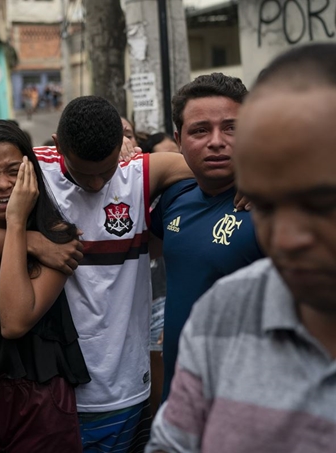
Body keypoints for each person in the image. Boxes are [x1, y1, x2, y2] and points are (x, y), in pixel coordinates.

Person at [0, 96, 199, 452]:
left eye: (105, 172)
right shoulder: (28, 171)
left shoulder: (137, 172)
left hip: (124, 388)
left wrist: (244, 180)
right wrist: (31, 240)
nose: (95, 183)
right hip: (53, 392)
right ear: (58, 147)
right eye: (83, 172)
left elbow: (210, 165)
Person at [147, 42, 336, 453]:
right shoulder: (218, 311)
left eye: (318, 203)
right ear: (178, 139)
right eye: (270, 206)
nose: (288, 237)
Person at [0, 120, 90, 452]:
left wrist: (18, 222)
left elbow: (13, 322)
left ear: (31, 171)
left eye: (14, 171)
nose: (3, 184)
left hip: (39, 402)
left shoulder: (58, 239)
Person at [150, 73, 264, 401]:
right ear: (179, 139)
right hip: (179, 397)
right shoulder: (175, 197)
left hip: (248, 403)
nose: (216, 141)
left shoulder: (276, 205)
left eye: (232, 128)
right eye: (200, 130)